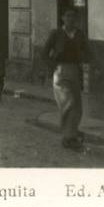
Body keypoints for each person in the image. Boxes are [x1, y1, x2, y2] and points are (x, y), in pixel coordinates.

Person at [42, 8, 90, 150]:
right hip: (61, 72)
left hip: (75, 71)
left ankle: (71, 133)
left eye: (73, 17)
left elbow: (88, 52)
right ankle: (69, 137)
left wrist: (85, 61)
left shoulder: (80, 35)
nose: (71, 19)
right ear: (62, 18)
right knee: (68, 103)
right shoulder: (56, 34)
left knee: (78, 107)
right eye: (68, 16)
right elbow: (44, 53)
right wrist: (53, 67)